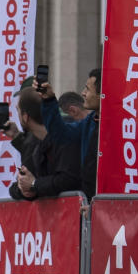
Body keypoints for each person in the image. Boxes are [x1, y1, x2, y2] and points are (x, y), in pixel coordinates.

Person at [4, 87, 81, 201]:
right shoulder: (37, 146)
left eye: (18, 111)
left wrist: (34, 184)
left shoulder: (65, 138)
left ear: (25, 117)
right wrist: (25, 188)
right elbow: (34, 182)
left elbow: (69, 180)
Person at [39, 68, 100, 200]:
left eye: (88, 89)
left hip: (115, 206)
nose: (83, 93)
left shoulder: (124, 125)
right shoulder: (90, 122)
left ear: (103, 94)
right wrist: (49, 100)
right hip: (91, 204)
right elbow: (61, 134)